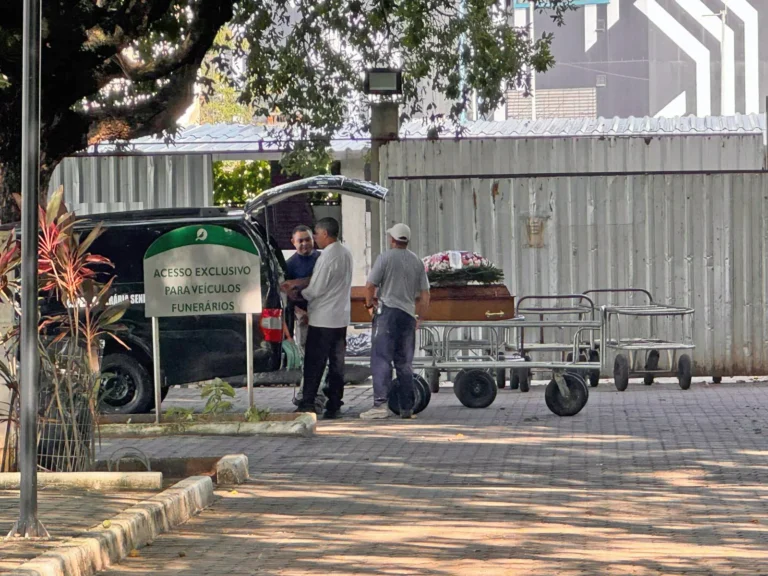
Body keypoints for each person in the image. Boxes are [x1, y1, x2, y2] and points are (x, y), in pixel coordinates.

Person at [361, 223, 430, 420]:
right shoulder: (417, 261)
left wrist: (368, 306)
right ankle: (407, 408)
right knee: (404, 362)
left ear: (392, 239)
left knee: (381, 358)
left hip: (387, 314)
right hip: (408, 315)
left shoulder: (385, 258)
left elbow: (369, 287)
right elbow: (425, 295)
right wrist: (420, 317)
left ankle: (380, 405)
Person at [294, 217, 353, 419]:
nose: (315, 239)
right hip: (341, 317)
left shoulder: (327, 257)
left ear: (325, 234)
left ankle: (307, 402)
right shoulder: (346, 253)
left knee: (314, 363)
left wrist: (300, 295)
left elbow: (317, 288)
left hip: (322, 318)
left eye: (316, 234)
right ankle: (334, 403)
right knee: (337, 365)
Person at [283, 225, 320, 347]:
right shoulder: (289, 265)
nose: (305, 243)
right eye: (300, 241)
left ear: (313, 239)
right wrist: (300, 312)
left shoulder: (322, 259)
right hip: (303, 315)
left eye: (307, 239)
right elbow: (287, 293)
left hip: (323, 311)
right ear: (293, 242)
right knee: (306, 346)